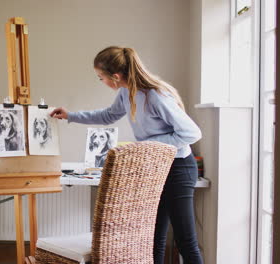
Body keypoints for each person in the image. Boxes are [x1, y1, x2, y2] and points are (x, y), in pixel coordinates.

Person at [50, 46, 204, 264]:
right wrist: (71, 116)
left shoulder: (155, 96)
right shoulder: (126, 92)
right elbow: (108, 116)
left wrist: (144, 145)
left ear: (115, 76)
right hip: (155, 169)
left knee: (185, 242)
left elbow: (191, 133)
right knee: (152, 240)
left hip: (178, 169)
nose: (101, 82)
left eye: (100, 77)